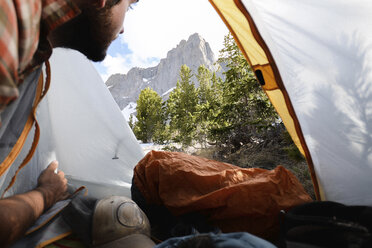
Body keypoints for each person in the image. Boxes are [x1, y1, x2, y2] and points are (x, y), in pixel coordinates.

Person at [0, 0, 138, 246]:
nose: (124, 29)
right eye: (130, 5)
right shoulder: (12, 20)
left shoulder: (32, 44)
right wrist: (45, 194)